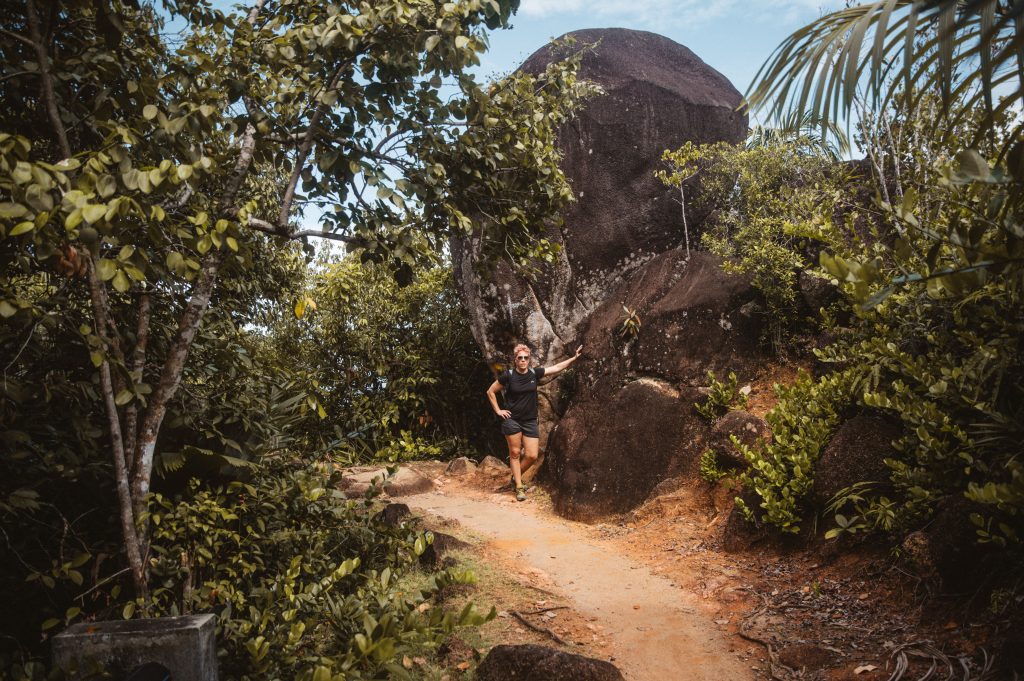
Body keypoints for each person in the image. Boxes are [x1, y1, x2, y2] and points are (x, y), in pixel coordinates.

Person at [486, 343, 583, 501]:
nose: (523, 360)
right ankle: (518, 486)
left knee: (531, 455)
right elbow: (490, 391)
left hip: (530, 420)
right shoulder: (508, 376)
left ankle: (515, 477)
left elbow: (556, 368)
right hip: (512, 420)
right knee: (515, 453)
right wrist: (498, 410)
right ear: (515, 360)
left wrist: (574, 358)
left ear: (529, 359)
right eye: (520, 358)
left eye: (526, 357)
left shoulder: (534, 374)